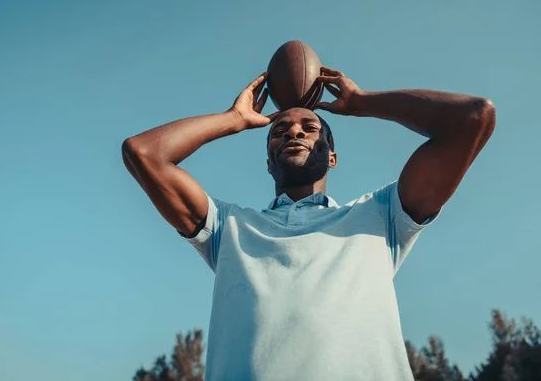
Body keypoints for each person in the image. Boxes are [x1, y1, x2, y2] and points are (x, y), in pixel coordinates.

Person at [121, 67, 496, 380]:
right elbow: (144, 152)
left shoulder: (380, 216)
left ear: (331, 156)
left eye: (309, 128)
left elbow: (473, 118)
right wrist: (233, 119)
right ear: (269, 162)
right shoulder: (228, 227)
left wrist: (365, 102)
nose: (294, 132)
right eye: (279, 131)